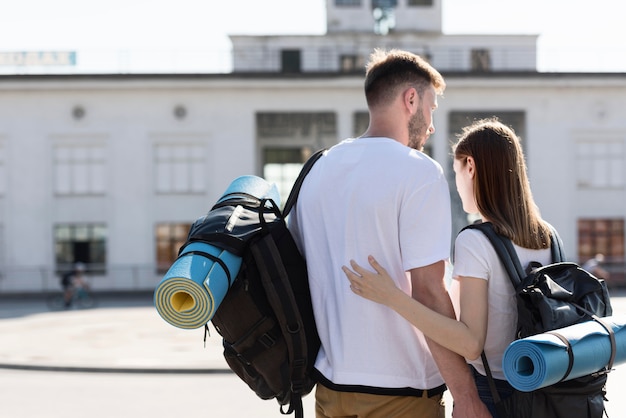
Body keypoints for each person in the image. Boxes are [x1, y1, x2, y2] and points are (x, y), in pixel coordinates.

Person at [289, 48, 489, 418]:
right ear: (410, 99)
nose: (431, 125)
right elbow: (429, 291)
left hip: (330, 390)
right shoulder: (418, 172)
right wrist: (466, 395)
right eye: (430, 108)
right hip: (402, 392)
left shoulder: (316, 170)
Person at [343, 118, 555, 417]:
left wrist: (392, 296)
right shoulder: (548, 236)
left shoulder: (476, 240)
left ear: (470, 166)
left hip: (495, 394)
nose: (456, 184)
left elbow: (470, 343)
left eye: (456, 171)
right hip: (548, 388)